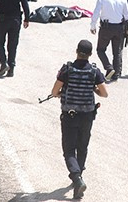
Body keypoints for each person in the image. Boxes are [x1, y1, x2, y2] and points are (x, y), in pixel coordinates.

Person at [50, 39, 108, 200]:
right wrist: (93, 88)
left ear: (77, 51)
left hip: (69, 116)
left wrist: (62, 93)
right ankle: (78, 181)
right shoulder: (94, 71)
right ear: (90, 54)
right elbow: (104, 93)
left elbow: (55, 91)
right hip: (87, 116)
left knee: (69, 150)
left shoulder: (67, 69)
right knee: (82, 147)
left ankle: (76, 178)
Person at [90, 0, 128, 82]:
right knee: (117, 52)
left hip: (106, 27)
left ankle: (109, 68)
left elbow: (96, 12)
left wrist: (93, 25)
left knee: (100, 50)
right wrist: (127, 26)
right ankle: (116, 74)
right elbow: (127, 15)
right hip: (119, 27)